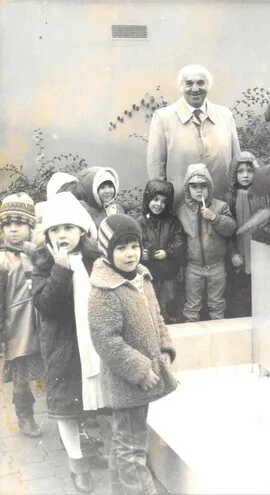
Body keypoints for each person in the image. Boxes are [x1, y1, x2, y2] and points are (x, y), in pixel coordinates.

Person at [88, 214, 177, 495]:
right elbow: (106, 340)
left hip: (145, 375)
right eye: (121, 248)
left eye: (134, 246)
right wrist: (140, 370)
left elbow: (157, 317)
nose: (130, 254)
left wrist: (164, 348)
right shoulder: (104, 290)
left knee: (125, 442)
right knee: (132, 448)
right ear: (107, 250)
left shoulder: (141, 278)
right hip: (128, 381)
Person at [32, 192, 104, 494]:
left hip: (91, 343)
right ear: (47, 234)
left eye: (68, 228)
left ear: (82, 231)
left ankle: (90, 445)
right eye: (55, 230)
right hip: (62, 345)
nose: (62, 235)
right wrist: (60, 268)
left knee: (90, 399)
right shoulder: (45, 264)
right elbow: (46, 305)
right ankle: (77, 464)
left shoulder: (95, 258)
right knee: (66, 405)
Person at [147, 64, 242, 210]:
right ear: (181, 87)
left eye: (200, 83)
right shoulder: (163, 118)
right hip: (180, 208)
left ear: (208, 85)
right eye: (189, 83)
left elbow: (237, 161)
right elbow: (156, 167)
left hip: (221, 206)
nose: (195, 88)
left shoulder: (225, 115)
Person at [0, 193, 42, 437]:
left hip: (43, 322)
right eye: (7, 224)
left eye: (20, 223)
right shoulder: (3, 258)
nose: (13, 229)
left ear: (30, 225)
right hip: (17, 325)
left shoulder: (39, 253)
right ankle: (25, 415)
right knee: (22, 373)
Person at [176, 163, 236, 321]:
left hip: (216, 265)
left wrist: (214, 218)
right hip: (193, 267)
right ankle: (192, 338)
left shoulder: (220, 206)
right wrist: (182, 265)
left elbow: (231, 228)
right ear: (187, 188)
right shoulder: (182, 211)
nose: (199, 190)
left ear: (209, 187)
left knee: (217, 304)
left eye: (203, 186)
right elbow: (180, 240)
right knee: (192, 306)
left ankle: (220, 337)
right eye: (194, 186)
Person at [138, 179, 186, 324]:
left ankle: (170, 328)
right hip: (148, 273)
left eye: (163, 202)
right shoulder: (140, 222)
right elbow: (135, 242)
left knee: (170, 302)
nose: (159, 204)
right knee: (149, 305)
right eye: (155, 199)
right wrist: (142, 253)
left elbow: (180, 241)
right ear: (148, 199)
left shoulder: (172, 222)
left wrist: (168, 252)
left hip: (168, 273)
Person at [225, 152, 258, 318]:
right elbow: (228, 231)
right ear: (234, 174)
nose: (245, 175)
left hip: (259, 254)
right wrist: (233, 253)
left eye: (250, 170)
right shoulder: (230, 198)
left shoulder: (261, 195)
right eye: (240, 171)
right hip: (239, 255)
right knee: (240, 295)